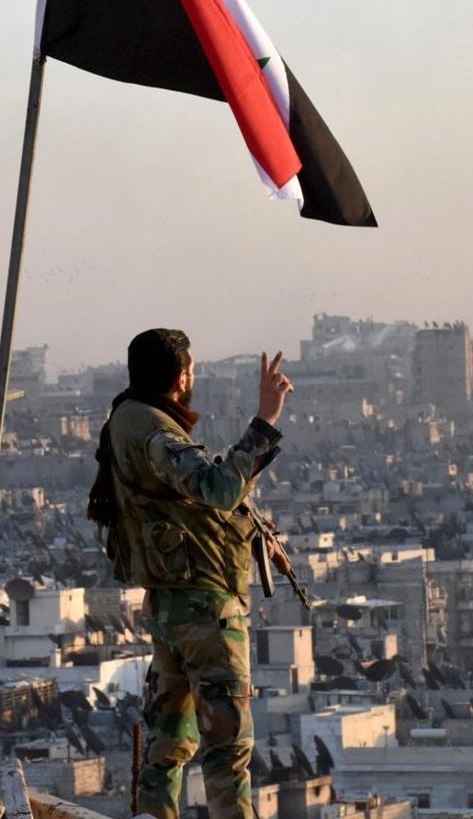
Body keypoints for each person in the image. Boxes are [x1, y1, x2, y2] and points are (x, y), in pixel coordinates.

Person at [86, 329, 293, 819]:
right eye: (193, 371)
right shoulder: (156, 430)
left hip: (170, 605)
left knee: (169, 740)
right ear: (181, 378)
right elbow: (217, 487)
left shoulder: (126, 419)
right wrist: (265, 420)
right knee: (227, 746)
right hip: (205, 610)